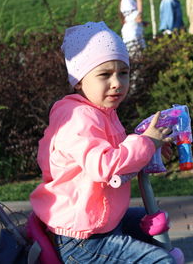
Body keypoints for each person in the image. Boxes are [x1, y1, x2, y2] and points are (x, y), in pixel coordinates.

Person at [30, 21, 175, 263]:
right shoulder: (78, 117)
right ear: (78, 80)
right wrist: (145, 144)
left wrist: (151, 148)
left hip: (101, 220)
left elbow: (118, 155)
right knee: (162, 261)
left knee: (152, 223)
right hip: (83, 239)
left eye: (124, 73)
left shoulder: (102, 112)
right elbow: (104, 166)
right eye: (105, 74)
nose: (117, 82)